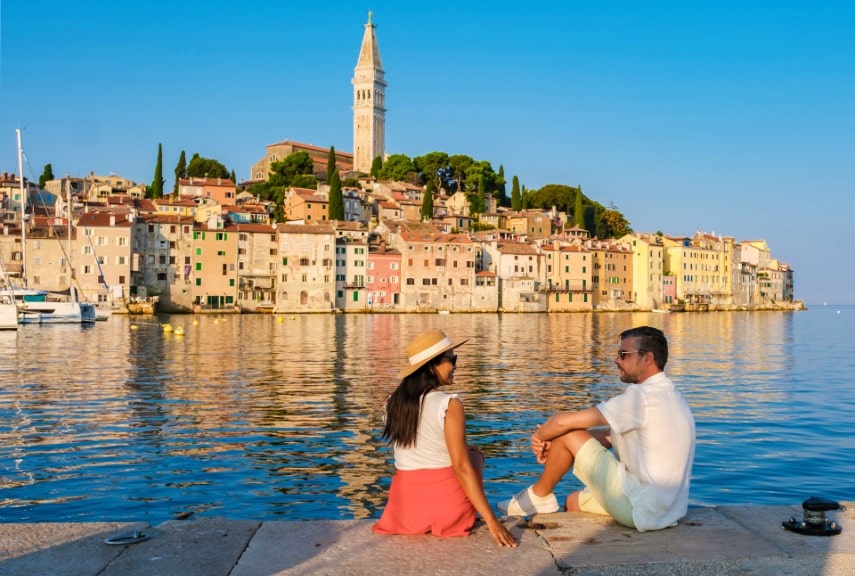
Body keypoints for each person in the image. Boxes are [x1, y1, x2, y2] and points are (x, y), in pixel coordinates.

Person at [498, 326, 695, 532]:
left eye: (623, 355)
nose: (616, 360)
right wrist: (556, 441)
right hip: (667, 511)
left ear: (648, 358)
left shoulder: (641, 398)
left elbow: (561, 423)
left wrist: (540, 436)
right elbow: (611, 436)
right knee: (573, 502)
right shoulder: (671, 395)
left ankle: (539, 496)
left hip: (641, 508)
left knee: (569, 430)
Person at [372, 328, 517, 548]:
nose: (455, 365)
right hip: (446, 509)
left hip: (404, 508)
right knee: (474, 457)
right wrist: (492, 520)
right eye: (451, 359)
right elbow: (461, 468)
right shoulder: (449, 404)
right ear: (432, 366)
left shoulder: (391, 403)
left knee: (466, 452)